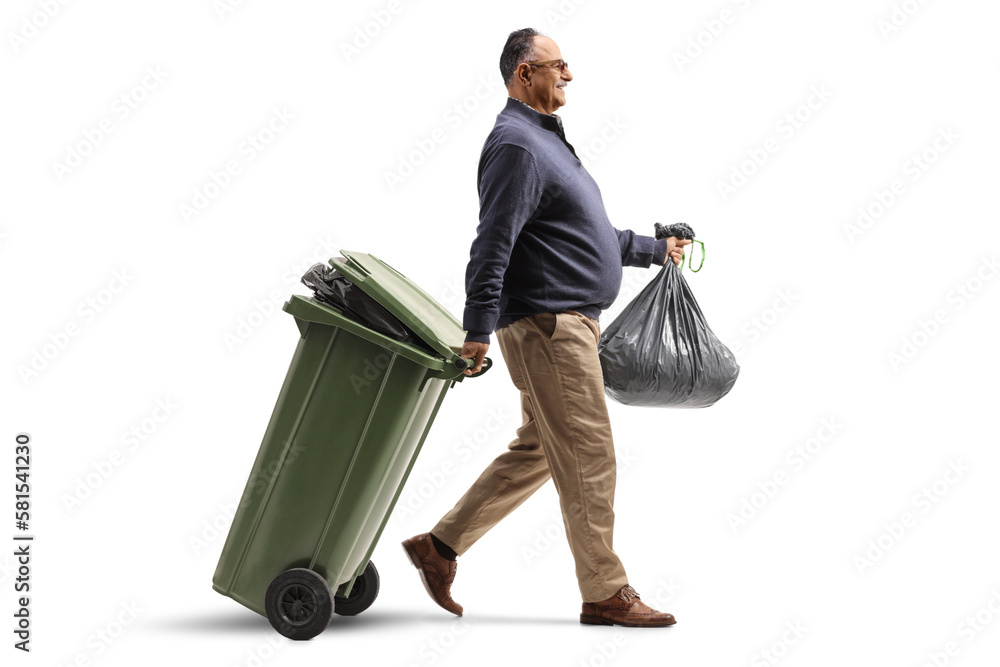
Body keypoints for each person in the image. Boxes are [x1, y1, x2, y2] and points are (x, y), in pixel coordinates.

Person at [403, 27, 690, 628]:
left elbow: (589, 236)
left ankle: (440, 546)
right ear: (523, 74)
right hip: (550, 326)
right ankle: (605, 591)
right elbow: (493, 241)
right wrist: (478, 325)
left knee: (540, 448)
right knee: (589, 452)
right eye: (557, 65)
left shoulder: (546, 143)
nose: (569, 74)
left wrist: (653, 248)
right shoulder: (517, 145)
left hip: (562, 322)